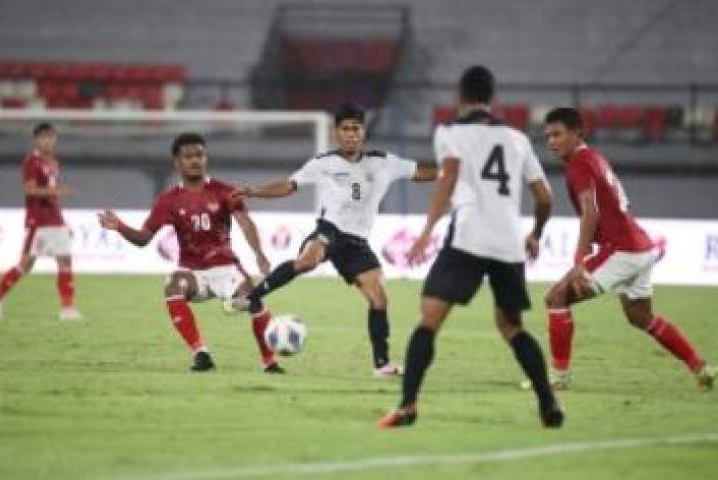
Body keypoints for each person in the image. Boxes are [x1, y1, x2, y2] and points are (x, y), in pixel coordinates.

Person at [378, 65, 563, 429]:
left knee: (428, 320)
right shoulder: (518, 138)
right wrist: (536, 234)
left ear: (459, 98)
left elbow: (447, 179)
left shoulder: (451, 133)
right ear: (492, 98)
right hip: (508, 241)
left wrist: (427, 229)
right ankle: (548, 402)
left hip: (469, 235)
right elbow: (545, 197)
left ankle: (407, 406)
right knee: (512, 327)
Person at [234, 103, 438, 377]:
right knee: (307, 261)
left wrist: (451, 172)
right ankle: (252, 297)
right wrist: (254, 191)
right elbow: (289, 185)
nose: (351, 134)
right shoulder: (323, 163)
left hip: (357, 242)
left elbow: (421, 172)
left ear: (363, 132)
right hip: (329, 230)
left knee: (379, 297)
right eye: (345, 129)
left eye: (356, 128)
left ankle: (382, 365)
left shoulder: (383, 162)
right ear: (335, 133)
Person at [532, 107, 715, 391]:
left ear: (577, 133)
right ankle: (701, 367)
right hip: (640, 247)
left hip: (622, 249)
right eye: (547, 137)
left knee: (556, 298)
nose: (551, 142)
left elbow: (590, 212)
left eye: (557, 134)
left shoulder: (580, 163)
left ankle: (558, 378)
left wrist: (579, 259)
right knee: (640, 317)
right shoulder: (594, 158)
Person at [97, 132, 283, 373]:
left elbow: (245, 222)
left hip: (226, 268)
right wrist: (120, 226)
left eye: (200, 155)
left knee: (254, 301)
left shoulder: (224, 191)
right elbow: (144, 239)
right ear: (177, 162)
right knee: (173, 285)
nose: (195, 160)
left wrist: (259, 253)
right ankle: (201, 354)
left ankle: (270, 362)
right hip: (192, 272)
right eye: (188, 156)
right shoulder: (169, 200)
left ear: (206, 158)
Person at [0, 123, 82, 320]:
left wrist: (64, 223)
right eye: (44, 137)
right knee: (26, 264)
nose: (48, 141)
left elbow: (53, 198)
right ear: (36, 140)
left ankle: (68, 308)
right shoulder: (31, 162)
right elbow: (29, 190)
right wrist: (57, 192)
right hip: (38, 220)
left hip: (55, 219)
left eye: (51, 137)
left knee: (65, 260)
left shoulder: (53, 162)